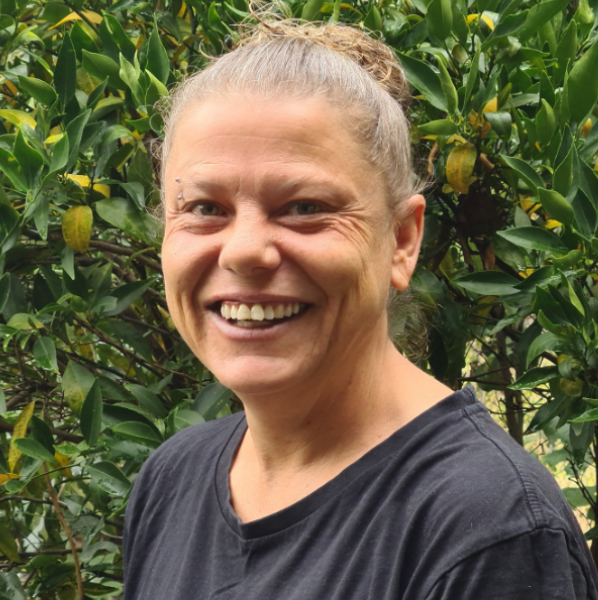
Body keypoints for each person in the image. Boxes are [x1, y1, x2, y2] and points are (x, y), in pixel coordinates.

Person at [123, 18, 598, 599]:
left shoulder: (487, 528)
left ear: (402, 240)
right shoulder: (173, 478)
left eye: (303, 206)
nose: (245, 251)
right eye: (203, 207)